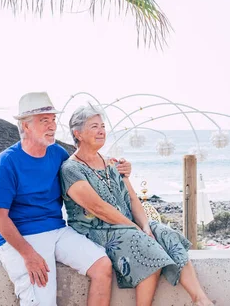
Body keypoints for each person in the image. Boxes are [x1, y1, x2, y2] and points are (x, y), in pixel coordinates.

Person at [60, 103, 215, 306]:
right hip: (97, 229)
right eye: (94, 126)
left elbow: (132, 198)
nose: (101, 131)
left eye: (103, 126)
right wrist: (134, 228)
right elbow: (99, 209)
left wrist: (144, 225)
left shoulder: (112, 164)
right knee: (145, 244)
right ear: (77, 133)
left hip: (126, 224)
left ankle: (200, 300)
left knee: (164, 233)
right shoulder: (71, 169)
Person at [0, 92, 132, 306]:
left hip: (56, 230)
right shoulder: (7, 162)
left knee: (102, 265)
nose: (52, 126)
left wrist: (120, 168)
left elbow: (88, 165)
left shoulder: (58, 154)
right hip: (21, 238)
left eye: (53, 120)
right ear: (26, 126)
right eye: (44, 121)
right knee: (42, 302)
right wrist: (28, 255)